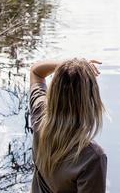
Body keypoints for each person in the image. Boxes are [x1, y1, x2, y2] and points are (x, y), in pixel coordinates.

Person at [29, 58, 107, 193]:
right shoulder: (91, 157)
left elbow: (36, 72)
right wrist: (76, 68)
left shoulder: (40, 118)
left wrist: (66, 67)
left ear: (54, 92)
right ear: (90, 100)